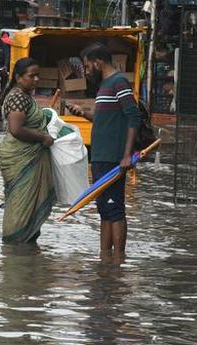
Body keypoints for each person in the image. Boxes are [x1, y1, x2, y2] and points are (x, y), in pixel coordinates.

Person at [67, 43, 141, 259]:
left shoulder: (119, 82)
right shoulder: (105, 86)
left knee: (114, 208)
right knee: (103, 209)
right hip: (100, 156)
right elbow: (104, 119)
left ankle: (117, 260)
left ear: (98, 62)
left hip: (113, 158)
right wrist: (83, 114)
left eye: (88, 66)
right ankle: (105, 260)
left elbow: (133, 116)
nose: (87, 71)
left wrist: (127, 155)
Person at [0, 57, 56, 243]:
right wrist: (43, 137)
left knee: (24, 205)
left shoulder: (23, 96)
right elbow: (16, 129)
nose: (36, 80)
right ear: (18, 77)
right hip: (20, 157)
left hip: (27, 156)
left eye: (38, 76)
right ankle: (15, 248)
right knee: (20, 204)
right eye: (32, 76)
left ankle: (27, 253)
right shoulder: (17, 98)